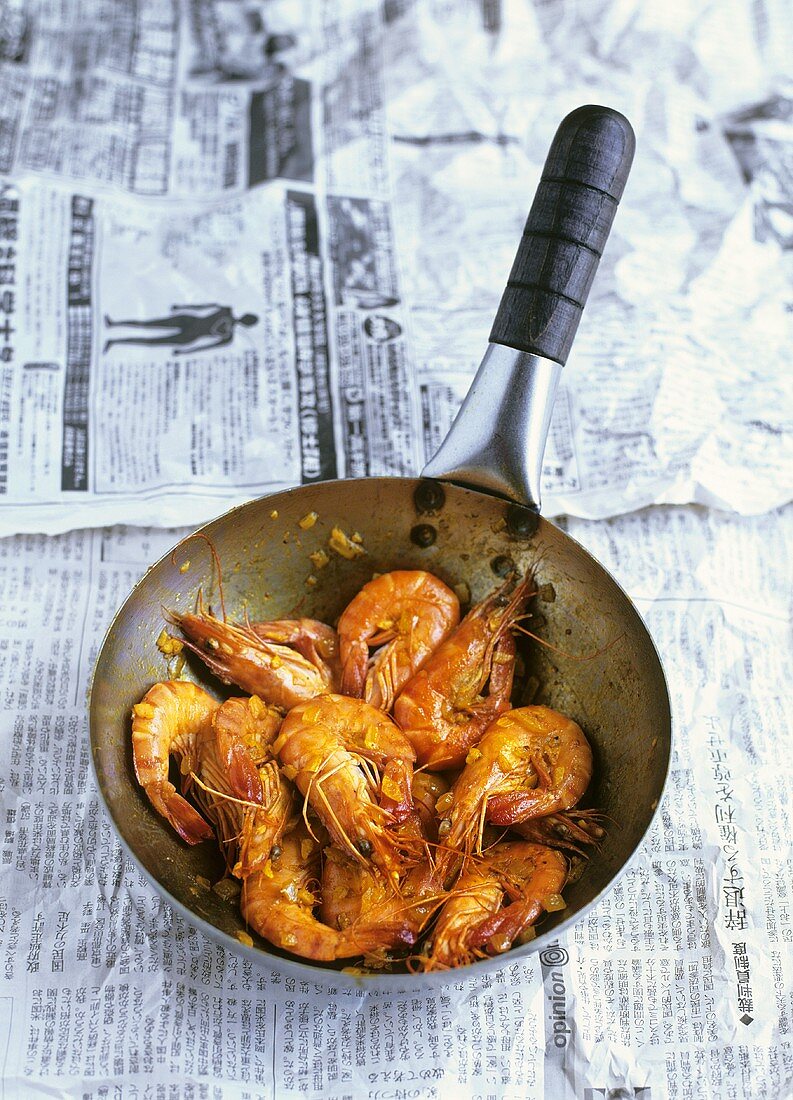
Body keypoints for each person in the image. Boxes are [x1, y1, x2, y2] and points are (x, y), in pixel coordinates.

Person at [103, 305, 258, 355]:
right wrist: (186, 352)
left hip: (188, 327)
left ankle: (115, 332)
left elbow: (205, 347)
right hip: (189, 329)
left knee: (149, 332)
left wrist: (186, 352)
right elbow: (202, 307)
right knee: (149, 332)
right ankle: (114, 332)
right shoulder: (228, 331)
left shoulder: (226, 314)